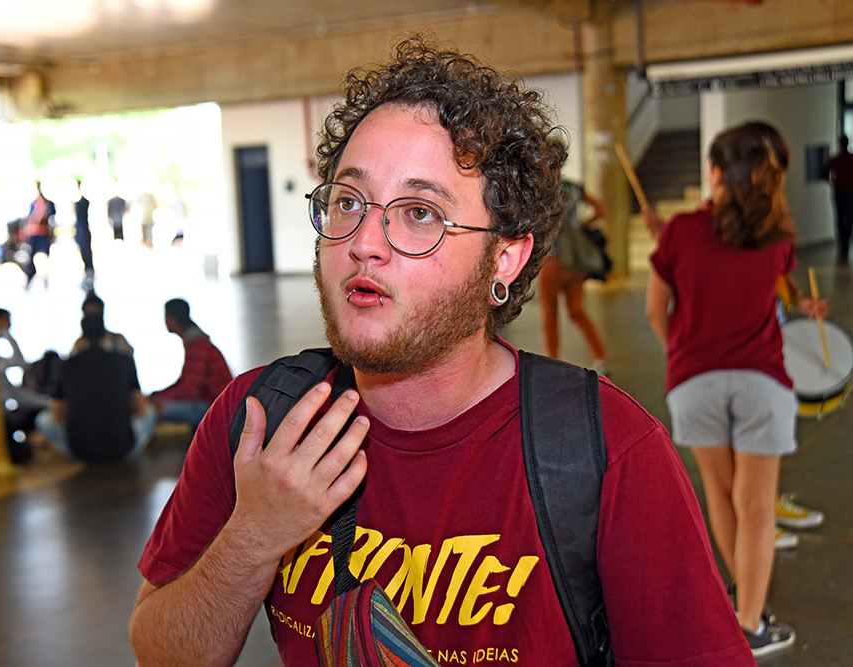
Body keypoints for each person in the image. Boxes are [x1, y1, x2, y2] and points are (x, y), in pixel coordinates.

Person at [129, 37, 754, 666]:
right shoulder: (261, 422)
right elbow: (160, 653)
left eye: (421, 213)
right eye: (348, 201)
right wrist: (253, 538)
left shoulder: (610, 453)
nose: (365, 241)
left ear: (503, 259)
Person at [646, 123, 827, 657]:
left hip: (694, 382)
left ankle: (741, 605)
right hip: (762, 382)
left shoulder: (680, 230)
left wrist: (680, 348)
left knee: (721, 497)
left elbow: (658, 310)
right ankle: (751, 621)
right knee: (756, 507)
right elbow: (778, 278)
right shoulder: (779, 235)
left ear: (717, 173)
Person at [35, 313, 155, 463]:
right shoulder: (125, 361)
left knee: (43, 419)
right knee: (150, 412)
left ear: (81, 338)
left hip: (78, 450)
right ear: (106, 335)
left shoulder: (65, 365)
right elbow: (141, 408)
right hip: (123, 448)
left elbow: (58, 415)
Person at [538, 174, 609, 373]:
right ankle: (601, 357)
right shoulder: (575, 187)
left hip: (552, 259)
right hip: (575, 260)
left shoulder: (543, 185)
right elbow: (602, 210)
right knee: (577, 310)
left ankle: (552, 362)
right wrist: (582, 225)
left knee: (550, 314)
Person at [149, 298, 232, 430]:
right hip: (213, 402)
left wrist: (156, 400)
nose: (164, 321)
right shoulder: (197, 342)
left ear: (173, 318)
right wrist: (157, 395)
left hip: (216, 408)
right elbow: (185, 383)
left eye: (165, 316)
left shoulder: (198, 346)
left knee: (151, 410)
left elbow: (188, 391)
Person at [0, 307, 50, 463]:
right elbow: (14, 393)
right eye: (6, 322)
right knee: (38, 411)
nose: (9, 326)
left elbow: (20, 363)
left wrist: (7, 336)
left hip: (4, 414)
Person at [69, 291, 134, 357]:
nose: (92, 320)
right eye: (89, 313)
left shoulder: (118, 341)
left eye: (95, 313)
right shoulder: (79, 346)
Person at [823, 133, 853, 264]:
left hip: (839, 191)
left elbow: (825, 173)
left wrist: (833, 182)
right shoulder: (851, 158)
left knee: (840, 216)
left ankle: (843, 241)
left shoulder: (835, 159)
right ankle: (846, 240)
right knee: (850, 217)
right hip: (851, 192)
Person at [21, 181, 55, 284]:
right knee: (32, 256)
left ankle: (47, 277)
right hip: (35, 233)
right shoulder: (34, 203)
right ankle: (30, 275)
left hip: (43, 233)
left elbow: (52, 217)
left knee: (46, 254)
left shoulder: (48, 203)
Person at [74, 179, 95, 287]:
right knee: (83, 252)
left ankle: (89, 270)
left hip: (83, 230)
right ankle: (88, 270)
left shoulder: (83, 202)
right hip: (81, 230)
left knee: (86, 251)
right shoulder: (80, 202)